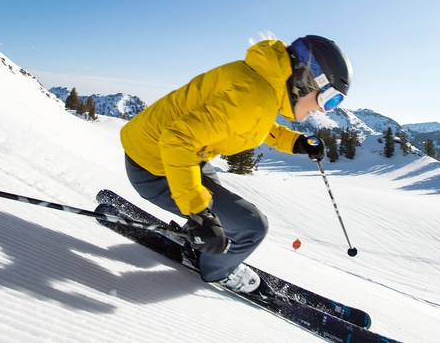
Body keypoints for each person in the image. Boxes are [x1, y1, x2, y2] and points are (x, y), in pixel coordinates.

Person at [119, 35, 352, 296]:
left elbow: (253, 123)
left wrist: (295, 142)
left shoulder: (262, 84)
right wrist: (199, 214)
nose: (324, 110)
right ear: (307, 79)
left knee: (221, 213)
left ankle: (197, 242)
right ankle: (216, 271)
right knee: (251, 227)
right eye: (329, 99)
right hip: (155, 166)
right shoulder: (253, 97)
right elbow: (177, 140)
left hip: (168, 153)